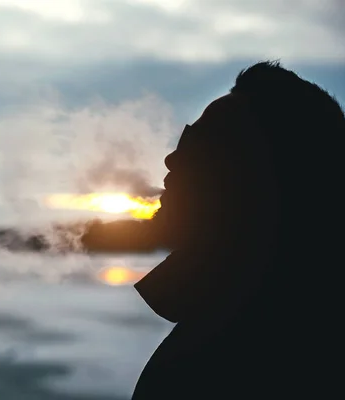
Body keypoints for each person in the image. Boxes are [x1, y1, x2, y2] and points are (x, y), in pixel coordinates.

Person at [131, 61, 344, 398]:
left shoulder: (259, 346)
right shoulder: (239, 315)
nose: (172, 159)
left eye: (198, 142)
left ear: (258, 178)